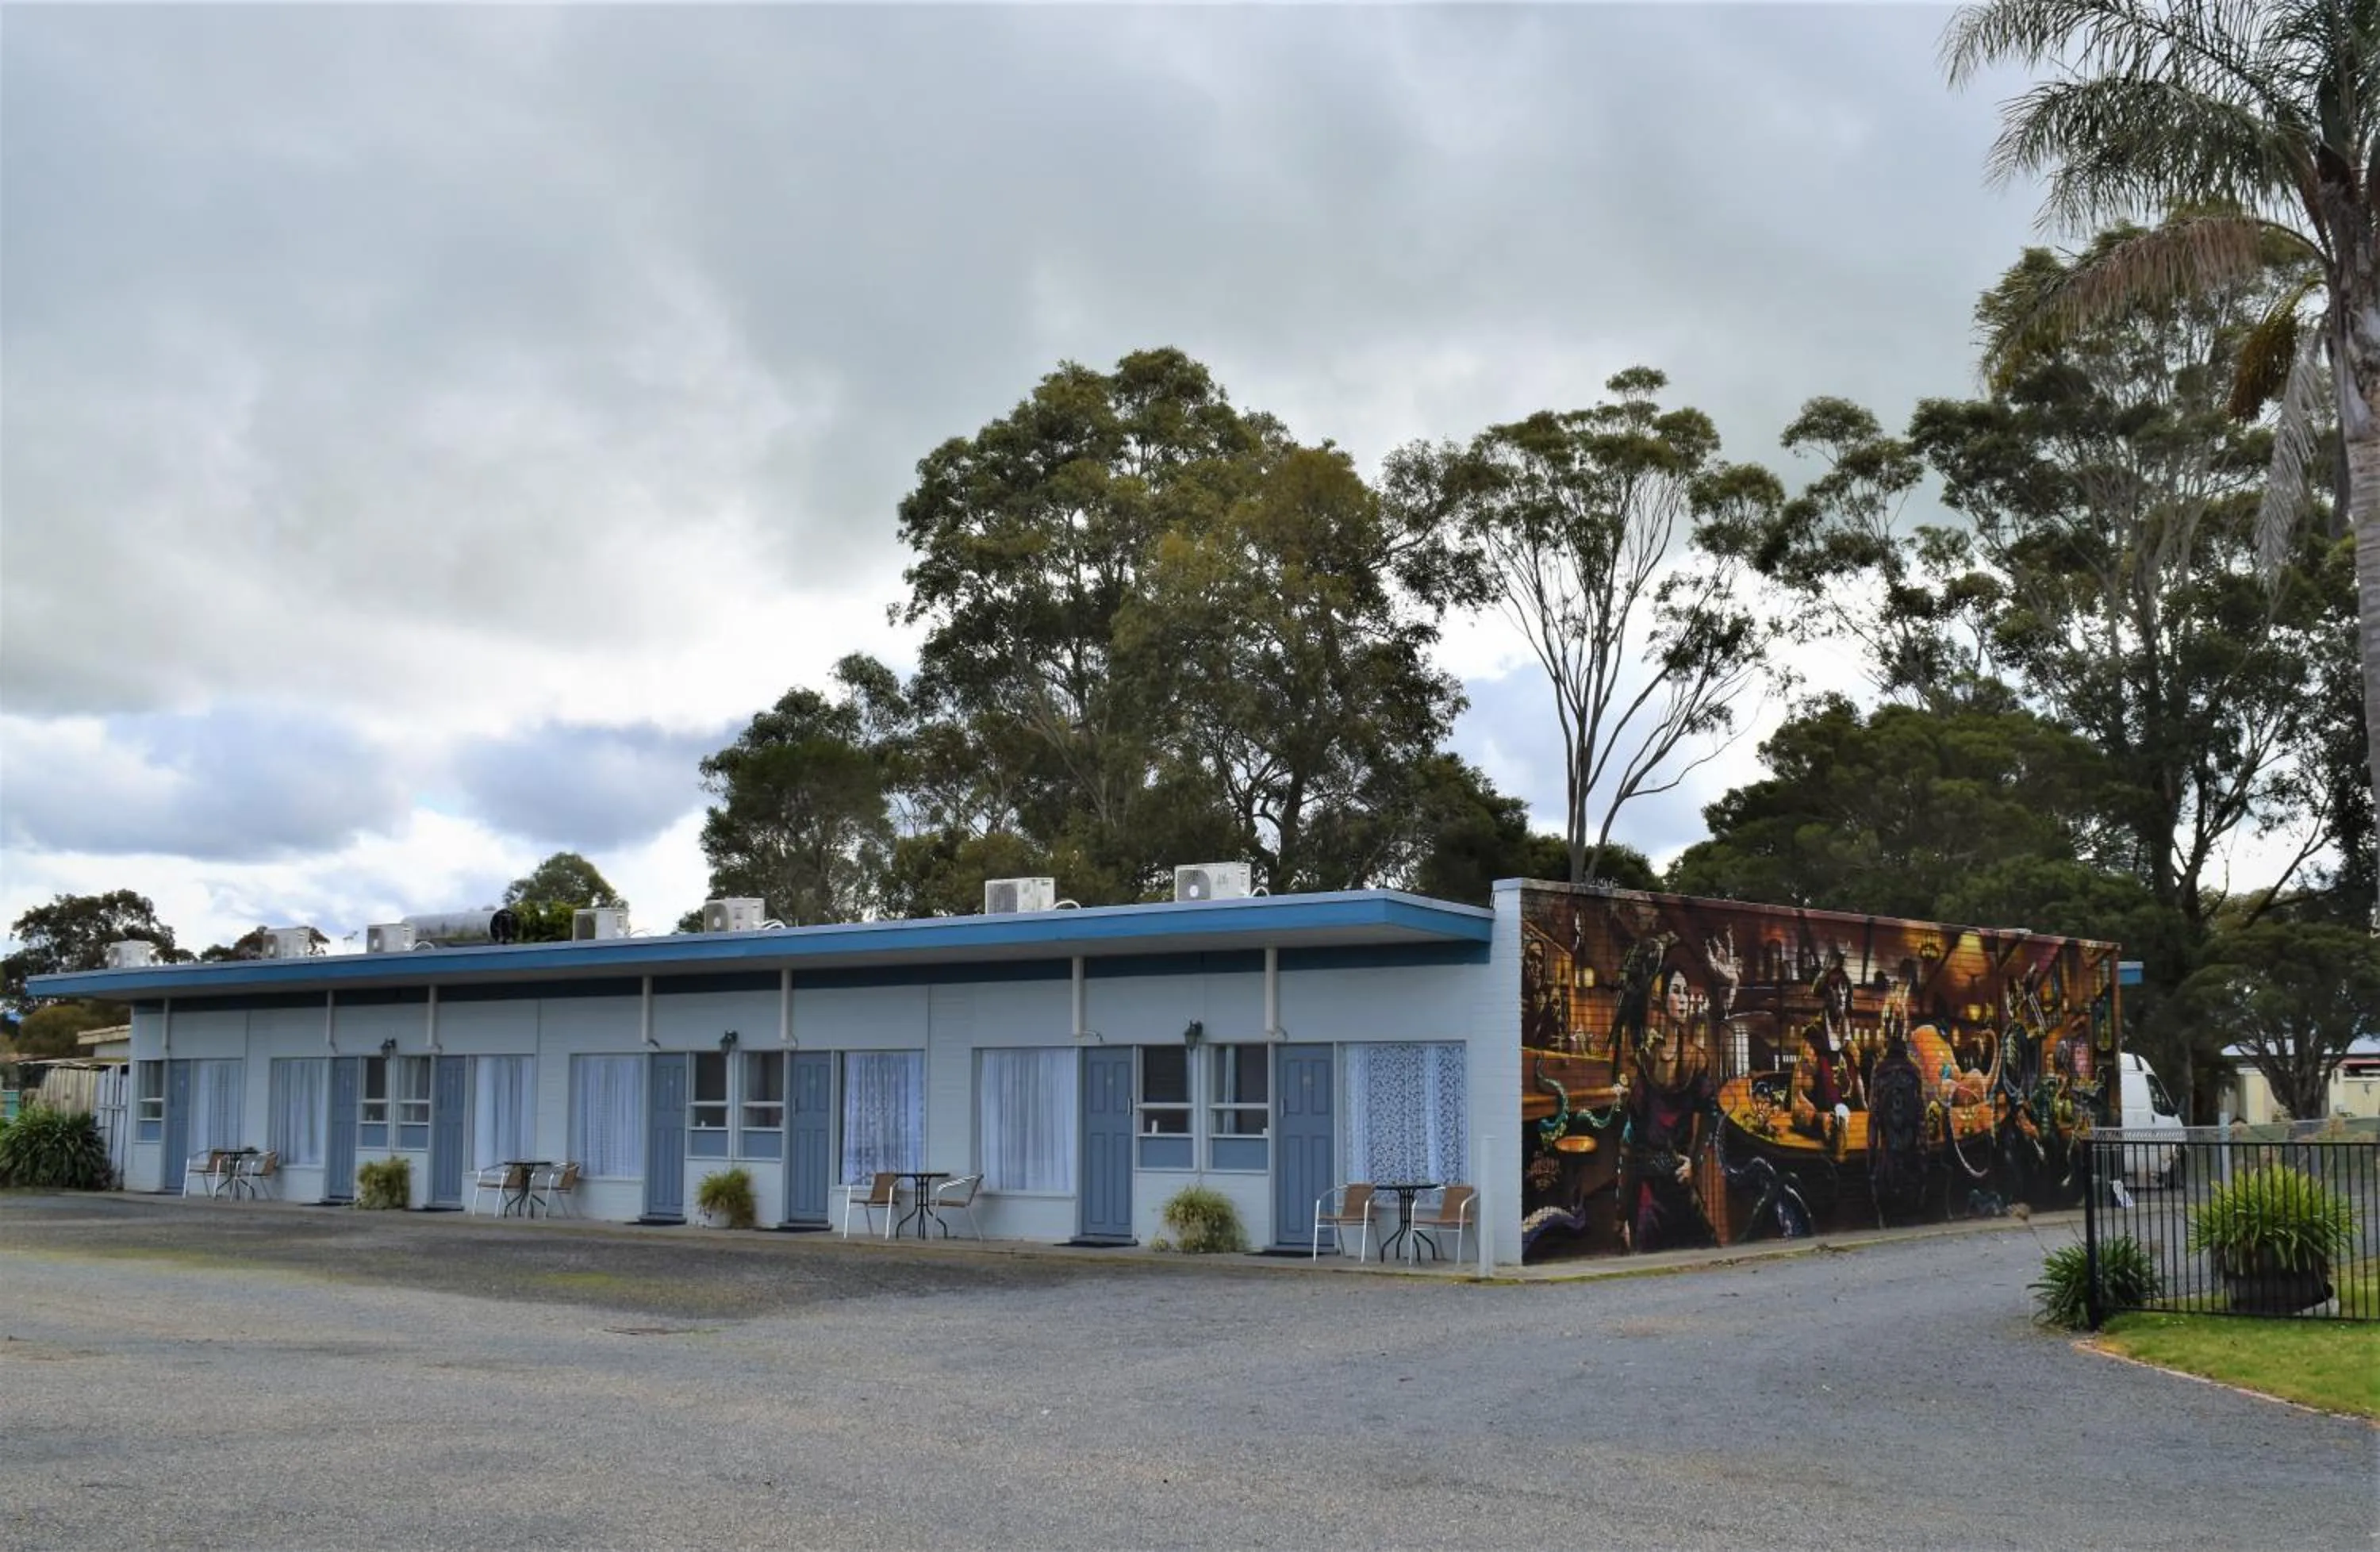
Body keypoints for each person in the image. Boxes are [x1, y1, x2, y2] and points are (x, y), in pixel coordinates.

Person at [1615, 928, 1740, 1252]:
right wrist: (1622, 1212)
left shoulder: (1697, 1060)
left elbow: (1712, 1114)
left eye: (1686, 992)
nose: (1684, 999)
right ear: (1661, 998)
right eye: (1676, 991)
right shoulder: (1644, 1058)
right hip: (1646, 1186)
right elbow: (1631, 1136)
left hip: (1679, 1180)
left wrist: (1695, 1162)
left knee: (1706, 1245)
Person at [1793, 949, 1866, 1151]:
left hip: (1854, 1140)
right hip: (1822, 1146)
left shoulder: (1852, 1048)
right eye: (1835, 987)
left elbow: (1861, 1102)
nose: (1841, 993)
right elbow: (1798, 1103)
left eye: (1844, 987)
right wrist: (1820, 1120)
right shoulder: (1813, 1041)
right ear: (1826, 995)